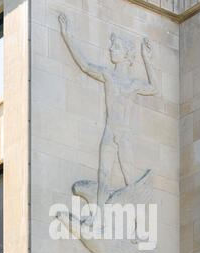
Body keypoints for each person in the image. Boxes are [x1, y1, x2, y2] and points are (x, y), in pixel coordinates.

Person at [58, 12, 158, 218]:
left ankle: (137, 225)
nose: (111, 49)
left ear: (128, 56)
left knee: (129, 177)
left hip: (124, 134)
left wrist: (147, 60)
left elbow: (154, 88)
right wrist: (67, 36)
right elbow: (85, 65)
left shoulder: (133, 84)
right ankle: (98, 219)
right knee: (103, 175)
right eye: (112, 46)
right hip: (110, 130)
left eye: (116, 47)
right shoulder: (108, 75)